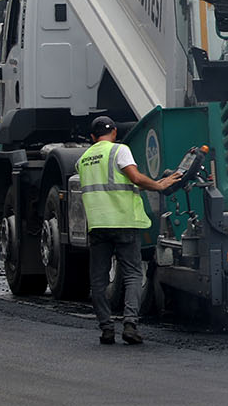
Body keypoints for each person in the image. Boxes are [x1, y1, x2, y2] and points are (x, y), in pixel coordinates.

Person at [76, 115, 182, 345]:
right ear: (114, 132)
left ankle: (106, 329)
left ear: (93, 137)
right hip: (124, 221)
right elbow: (134, 177)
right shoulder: (119, 150)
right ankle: (130, 325)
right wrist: (159, 185)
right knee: (133, 274)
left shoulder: (83, 159)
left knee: (98, 279)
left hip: (98, 224)